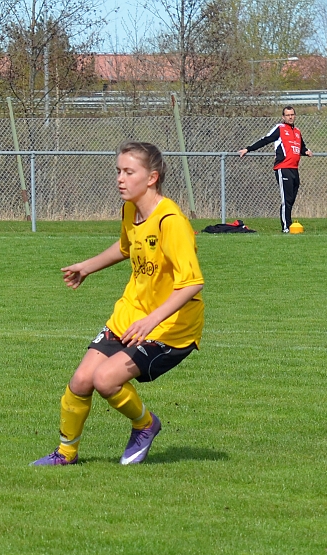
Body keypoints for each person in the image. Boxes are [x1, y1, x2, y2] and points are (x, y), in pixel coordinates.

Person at [32, 142, 204, 467]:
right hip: (131, 314)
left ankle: (145, 425)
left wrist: (151, 321)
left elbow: (192, 282)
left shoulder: (171, 221)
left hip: (171, 328)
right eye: (118, 171)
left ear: (152, 177)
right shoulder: (131, 209)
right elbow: (126, 247)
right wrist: (87, 266)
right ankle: (65, 454)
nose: (120, 179)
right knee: (80, 381)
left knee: (106, 380)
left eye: (129, 172)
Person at [239, 106, 312, 233]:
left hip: (294, 169)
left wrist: (306, 151)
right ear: (283, 117)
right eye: (287, 115)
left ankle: (288, 224)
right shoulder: (280, 128)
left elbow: (301, 147)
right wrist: (248, 149)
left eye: (292, 114)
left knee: (292, 198)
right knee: (286, 199)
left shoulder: (297, 131)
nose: (290, 117)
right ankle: (286, 227)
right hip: (283, 168)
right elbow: (265, 140)